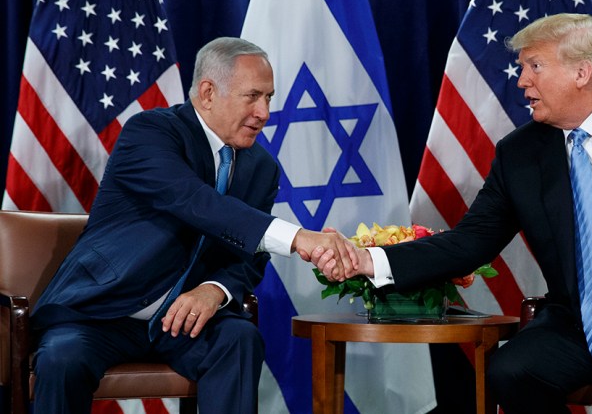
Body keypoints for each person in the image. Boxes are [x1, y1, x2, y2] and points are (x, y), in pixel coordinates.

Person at [313, 13, 592, 414]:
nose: (522, 81)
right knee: (511, 371)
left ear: (582, 72)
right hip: (587, 324)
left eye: (534, 66)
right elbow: (471, 242)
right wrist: (372, 261)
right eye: (522, 67)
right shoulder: (520, 154)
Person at [31, 37, 356, 414]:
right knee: (62, 357)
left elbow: (250, 256)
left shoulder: (261, 168)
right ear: (207, 93)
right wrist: (298, 237)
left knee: (239, 337)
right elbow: (195, 202)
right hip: (102, 313)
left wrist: (215, 290)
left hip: (183, 321)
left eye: (269, 97)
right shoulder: (150, 132)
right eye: (253, 96)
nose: (264, 112)